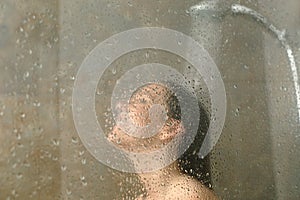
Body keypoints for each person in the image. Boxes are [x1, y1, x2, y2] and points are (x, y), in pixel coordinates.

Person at [108, 83, 218, 199]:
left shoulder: (185, 194)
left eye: (142, 100)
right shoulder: (144, 197)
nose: (120, 105)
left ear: (170, 128)